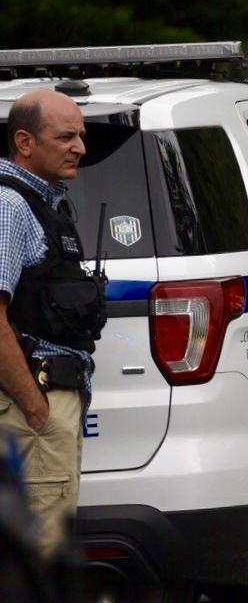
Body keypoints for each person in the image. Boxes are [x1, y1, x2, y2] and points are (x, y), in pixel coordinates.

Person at [0, 89, 106, 560]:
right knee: (39, 560)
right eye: (65, 137)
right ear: (25, 142)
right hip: (27, 410)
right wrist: (37, 409)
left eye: (80, 135)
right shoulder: (10, 206)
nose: (79, 147)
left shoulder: (46, 205)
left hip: (39, 407)